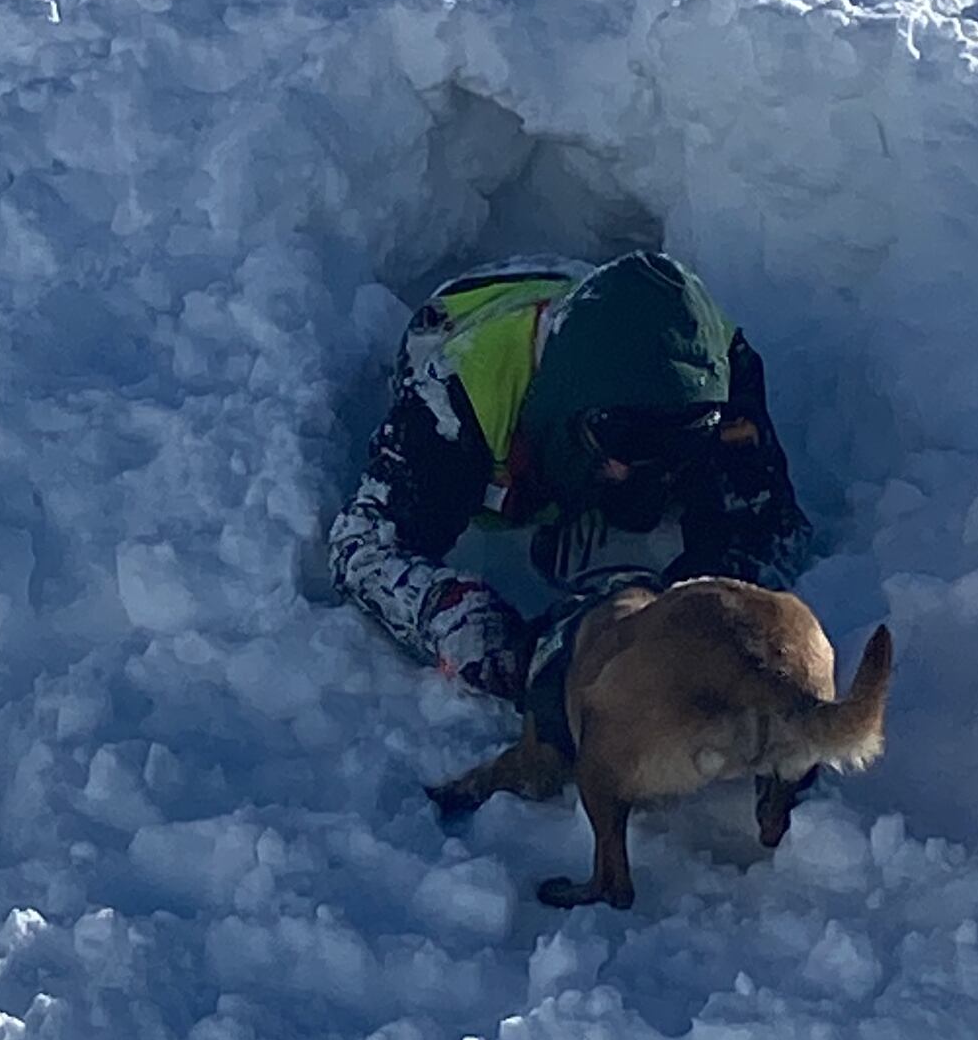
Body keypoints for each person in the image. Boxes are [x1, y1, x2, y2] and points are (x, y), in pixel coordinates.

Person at [330, 250, 811, 714]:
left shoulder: (723, 372)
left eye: (673, 445)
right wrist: (457, 612)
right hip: (475, 317)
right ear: (571, 406)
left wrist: (699, 615)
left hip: (593, 306)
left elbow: (772, 534)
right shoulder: (455, 397)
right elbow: (362, 545)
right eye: (622, 437)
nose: (634, 468)